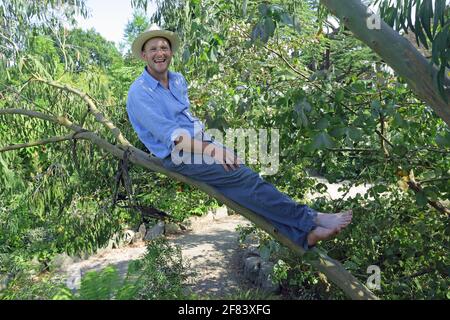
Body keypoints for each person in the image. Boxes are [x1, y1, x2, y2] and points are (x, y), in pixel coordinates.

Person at [126, 25, 352, 250]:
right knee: (245, 179)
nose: (160, 53)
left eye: (164, 47)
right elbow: (175, 139)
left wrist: (212, 144)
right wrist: (214, 150)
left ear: (171, 52)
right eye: (153, 48)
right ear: (144, 55)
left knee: (241, 187)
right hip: (180, 153)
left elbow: (187, 120)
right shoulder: (140, 93)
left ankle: (303, 237)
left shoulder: (177, 80)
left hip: (202, 142)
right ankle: (311, 219)